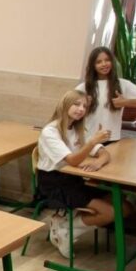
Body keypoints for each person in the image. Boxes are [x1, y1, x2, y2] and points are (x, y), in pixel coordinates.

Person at [38, 91, 121, 259]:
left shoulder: (78, 128)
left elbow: (104, 153)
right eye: (76, 104)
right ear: (65, 105)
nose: (81, 109)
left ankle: (64, 227)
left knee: (124, 207)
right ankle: (66, 231)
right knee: (110, 213)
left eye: (84, 106)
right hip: (54, 182)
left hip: (75, 179)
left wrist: (99, 162)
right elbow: (73, 161)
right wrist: (92, 142)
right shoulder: (50, 131)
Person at [75, 46, 136, 141]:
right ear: (93, 65)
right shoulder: (84, 87)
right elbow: (69, 109)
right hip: (87, 139)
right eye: (98, 62)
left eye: (107, 60)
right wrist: (85, 106)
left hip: (112, 138)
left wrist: (125, 102)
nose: (104, 64)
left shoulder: (123, 84)